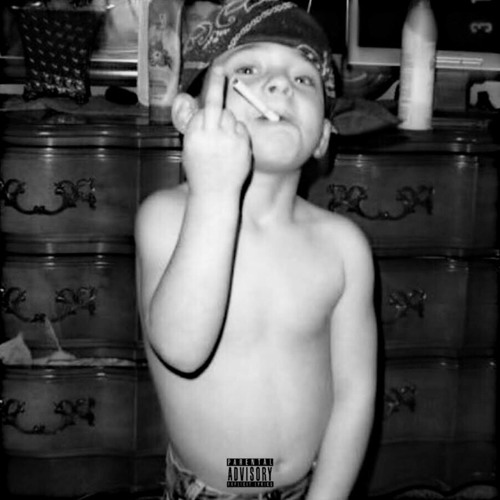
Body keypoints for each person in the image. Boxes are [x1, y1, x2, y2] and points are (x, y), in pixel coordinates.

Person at [135, 1, 377, 499]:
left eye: (303, 79)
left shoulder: (343, 247)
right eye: (247, 70)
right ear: (189, 113)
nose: (280, 85)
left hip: (313, 481)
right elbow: (182, 350)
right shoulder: (165, 218)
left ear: (322, 137)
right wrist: (214, 192)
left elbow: (355, 394)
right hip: (214, 489)